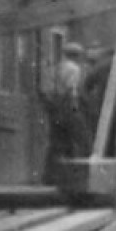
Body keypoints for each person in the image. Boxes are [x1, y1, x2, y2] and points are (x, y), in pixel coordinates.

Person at [43, 41, 89, 181]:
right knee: (77, 141)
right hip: (67, 108)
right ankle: (70, 176)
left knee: (56, 143)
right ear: (77, 56)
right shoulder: (74, 69)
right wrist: (75, 109)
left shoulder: (57, 68)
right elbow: (71, 90)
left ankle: (50, 175)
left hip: (55, 108)